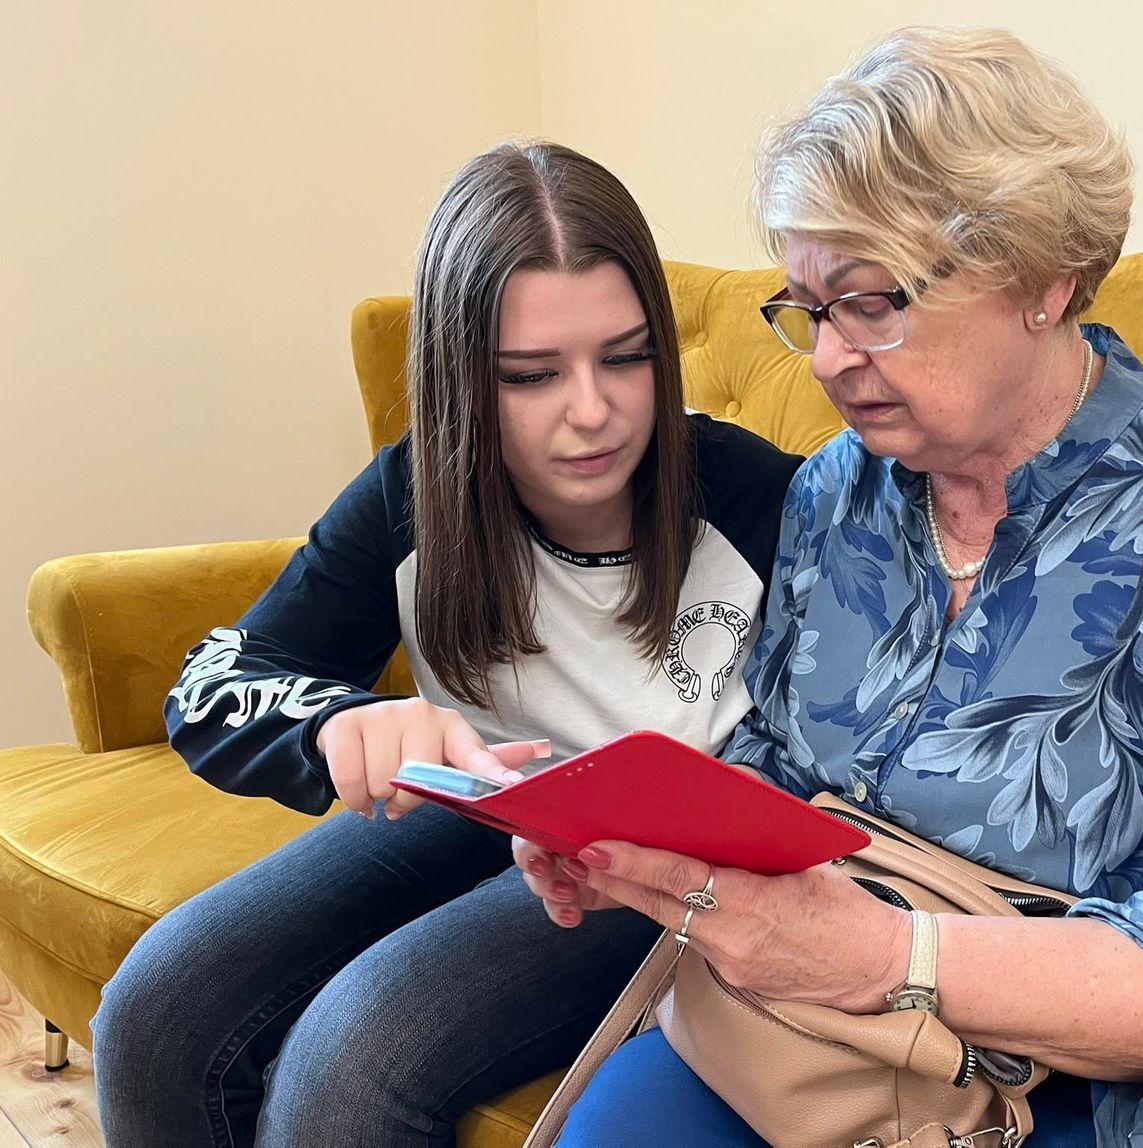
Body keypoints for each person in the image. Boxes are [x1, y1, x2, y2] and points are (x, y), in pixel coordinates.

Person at [531, 27, 1143, 1147]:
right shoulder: (838, 490)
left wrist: (887, 955)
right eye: (808, 310)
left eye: (871, 303)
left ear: (1044, 279)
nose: (828, 358)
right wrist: (636, 840)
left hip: (1112, 1079)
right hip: (830, 1032)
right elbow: (783, 765)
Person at [90, 140, 801, 1147]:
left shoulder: (761, 497)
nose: (592, 411)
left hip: (655, 859)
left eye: (627, 356)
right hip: (483, 800)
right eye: (531, 375)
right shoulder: (415, 493)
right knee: (154, 1012)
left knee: (348, 1065)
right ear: (461, 379)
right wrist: (339, 722)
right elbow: (211, 684)